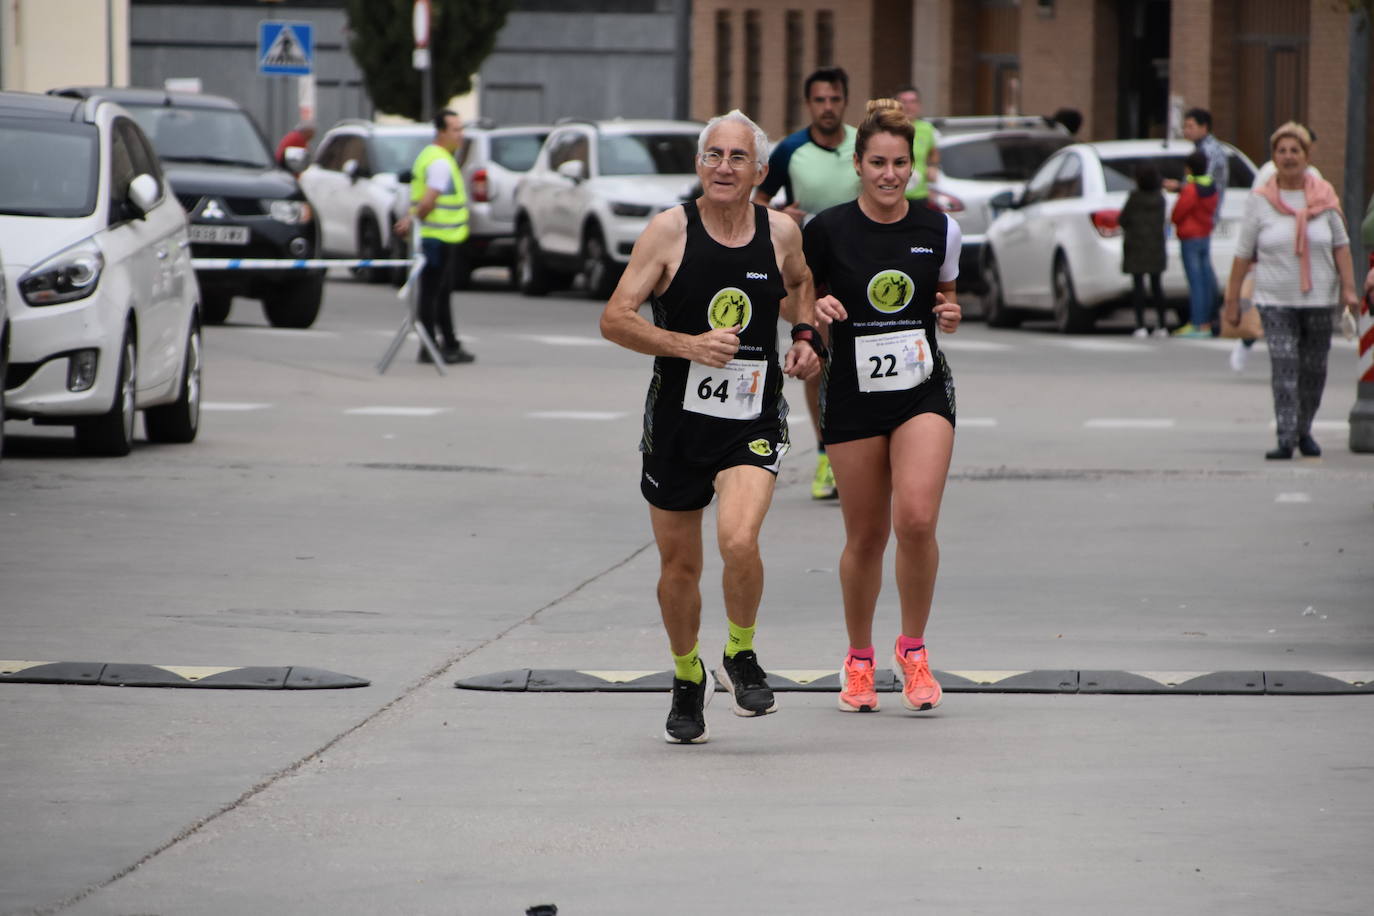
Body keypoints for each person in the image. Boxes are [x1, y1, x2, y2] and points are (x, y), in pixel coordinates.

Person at [600, 110, 822, 744]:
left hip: (751, 415)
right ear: (700, 165)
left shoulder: (779, 232)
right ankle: (686, 674)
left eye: (737, 158)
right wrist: (686, 345)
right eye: (713, 156)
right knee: (679, 568)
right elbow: (615, 318)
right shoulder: (669, 232)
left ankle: (741, 652)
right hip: (676, 422)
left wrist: (806, 337)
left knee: (739, 539)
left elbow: (801, 283)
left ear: (760, 171)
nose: (724, 168)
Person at [802, 99, 963, 715]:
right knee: (865, 535)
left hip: (922, 387)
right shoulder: (826, 230)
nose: (890, 174)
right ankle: (860, 659)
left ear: (913, 165)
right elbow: (802, 301)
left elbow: (947, 296)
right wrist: (815, 315)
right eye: (878, 162)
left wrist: (951, 311)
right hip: (852, 392)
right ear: (859, 164)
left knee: (916, 520)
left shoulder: (939, 229)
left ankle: (914, 650)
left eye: (901, 162)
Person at [753, 66, 861, 500]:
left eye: (835, 99)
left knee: (858, 357)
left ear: (845, 101)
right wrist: (780, 216)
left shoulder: (861, 145)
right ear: (808, 104)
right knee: (817, 354)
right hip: (810, 272)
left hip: (860, 267)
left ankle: (863, 451)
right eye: (820, 100)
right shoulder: (791, 151)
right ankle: (825, 455)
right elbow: (758, 201)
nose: (828, 107)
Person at [1222, 122, 1359, 460]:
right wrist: (1232, 301)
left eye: (1294, 150)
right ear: (1273, 158)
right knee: (1285, 366)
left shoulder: (1324, 196)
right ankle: (1286, 437)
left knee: (1314, 370)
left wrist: (1349, 290)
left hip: (1318, 299)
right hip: (1274, 299)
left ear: (1306, 156)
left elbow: (1341, 246)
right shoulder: (1261, 201)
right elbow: (1243, 254)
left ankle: (1304, 429)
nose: (1288, 157)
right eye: (1281, 151)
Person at [394, 109, 474, 365]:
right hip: (435, 238)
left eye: (461, 129)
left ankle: (447, 343)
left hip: (439, 237)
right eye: (456, 130)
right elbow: (430, 199)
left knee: (440, 293)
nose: (461, 135)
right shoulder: (439, 160)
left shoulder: (435, 157)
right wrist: (413, 218)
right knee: (433, 294)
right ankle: (431, 346)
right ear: (441, 132)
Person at [1165, 108, 1228, 337]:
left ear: (1204, 127)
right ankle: (1209, 319)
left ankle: (1201, 321)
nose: (1186, 130)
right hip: (1204, 225)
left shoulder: (1208, 154)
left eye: (1190, 126)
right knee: (1205, 273)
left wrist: (1181, 188)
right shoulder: (1204, 156)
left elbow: (1183, 207)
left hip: (1193, 230)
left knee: (1197, 276)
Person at [1171, 150, 1220, 338]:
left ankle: (1198, 323)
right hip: (1205, 234)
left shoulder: (1191, 189)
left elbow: (1179, 212)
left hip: (1190, 236)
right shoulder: (1210, 186)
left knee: (1196, 281)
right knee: (1206, 278)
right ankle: (1208, 320)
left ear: (1189, 168)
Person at [1120, 161, 1169, 337]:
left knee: (1138, 287)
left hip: (1136, 247)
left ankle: (1140, 325)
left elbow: (1123, 219)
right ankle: (1162, 325)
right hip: (1156, 246)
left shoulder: (1134, 198)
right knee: (1157, 286)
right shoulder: (1160, 198)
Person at [894, 86, 940, 204]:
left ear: (919, 105)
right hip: (894, 194)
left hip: (919, 195)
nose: (908, 106)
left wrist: (933, 167)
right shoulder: (888, 128)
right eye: (903, 102)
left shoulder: (927, 129)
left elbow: (934, 153)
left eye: (912, 102)